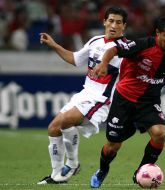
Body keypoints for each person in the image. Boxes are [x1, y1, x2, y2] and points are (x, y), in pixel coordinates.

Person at [90, 16, 165, 188]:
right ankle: (103, 170)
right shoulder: (142, 45)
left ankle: (141, 171)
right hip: (124, 99)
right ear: (157, 33)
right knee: (113, 146)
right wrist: (103, 63)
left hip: (148, 103)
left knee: (160, 133)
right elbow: (113, 50)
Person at [37, 6, 128, 184]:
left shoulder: (125, 49)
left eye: (118, 22)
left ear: (124, 26)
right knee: (53, 128)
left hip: (102, 99)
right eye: (110, 21)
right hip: (85, 93)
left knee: (66, 121)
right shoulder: (95, 41)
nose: (113, 25)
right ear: (104, 22)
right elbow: (75, 59)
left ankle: (72, 164)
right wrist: (54, 45)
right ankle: (57, 175)